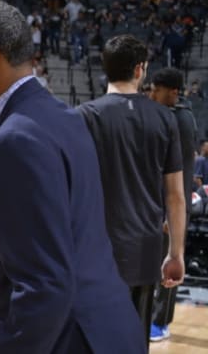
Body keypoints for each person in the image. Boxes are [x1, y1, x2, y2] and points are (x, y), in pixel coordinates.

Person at [0, 0, 146, 354]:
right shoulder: (59, 115)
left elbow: (44, 286)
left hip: (67, 340)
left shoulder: (18, 138)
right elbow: (38, 234)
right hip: (103, 329)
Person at [78, 35, 185, 346]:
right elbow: (176, 196)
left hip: (93, 252)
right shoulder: (165, 119)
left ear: (105, 69)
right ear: (141, 69)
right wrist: (175, 252)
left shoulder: (84, 116)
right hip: (145, 249)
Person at [147, 68, 196, 341]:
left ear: (173, 91)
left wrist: (172, 214)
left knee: (170, 266)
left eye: (157, 89)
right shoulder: (165, 116)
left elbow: (184, 173)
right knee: (154, 265)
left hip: (173, 208)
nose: (152, 94)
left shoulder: (182, 120)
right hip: (160, 205)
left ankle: (161, 322)